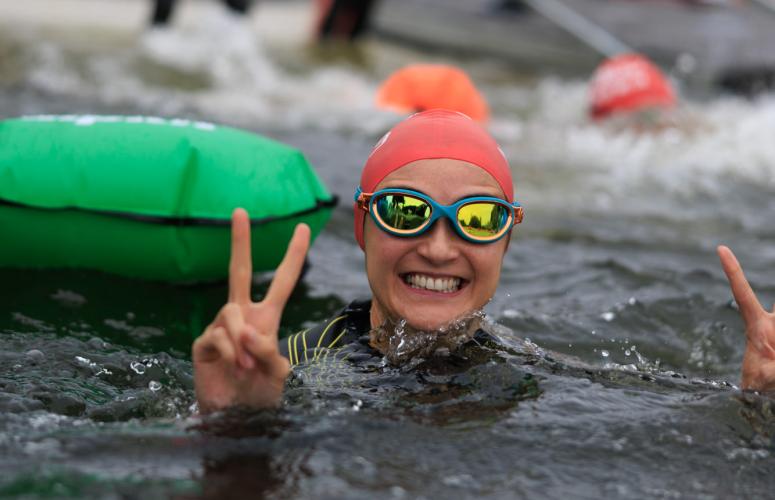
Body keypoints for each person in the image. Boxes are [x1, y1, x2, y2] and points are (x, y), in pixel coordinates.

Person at [192, 109, 775, 413]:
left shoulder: (536, 374)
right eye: (404, 210)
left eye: (477, 219)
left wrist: (755, 405)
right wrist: (234, 421)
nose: (440, 247)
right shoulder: (285, 366)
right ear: (362, 229)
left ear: (506, 243)